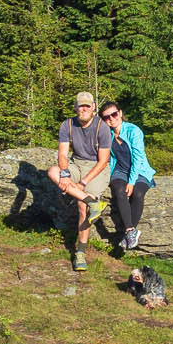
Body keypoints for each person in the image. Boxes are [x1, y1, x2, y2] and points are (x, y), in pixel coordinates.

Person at [48, 90, 112, 272]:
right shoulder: (67, 125)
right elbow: (62, 153)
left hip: (96, 169)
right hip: (76, 164)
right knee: (53, 172)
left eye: (87, 106)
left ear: (93, 108)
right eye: (80, 105)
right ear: (75, 107)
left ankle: (80, 252)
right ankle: (91, 202)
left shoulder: (102, 128)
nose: (83, 109)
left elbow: (103, 161)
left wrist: (82, 183)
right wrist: (66, 173)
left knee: (81, 207)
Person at [101, 102, 155, 252]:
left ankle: (129, 232)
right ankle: (131, 231)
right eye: (107, 117)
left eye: (114, 114)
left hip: (139, 171)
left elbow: (138, 159)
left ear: (120, 112)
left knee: (137, 193)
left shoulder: (133, 131)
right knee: (119, 191)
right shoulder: (107, 134)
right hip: (119, 170)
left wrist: (131, 182)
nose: (112, 119)